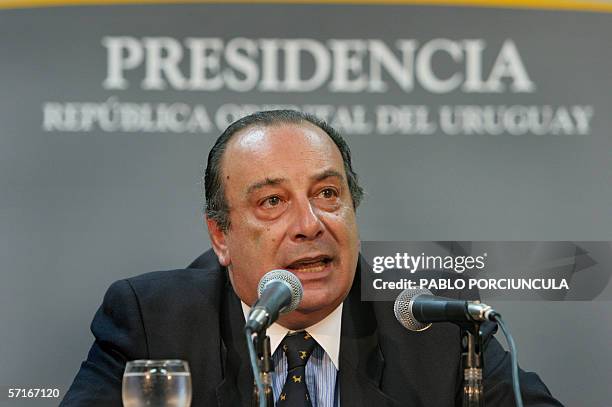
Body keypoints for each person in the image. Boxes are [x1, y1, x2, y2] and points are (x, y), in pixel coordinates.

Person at [61, 110, 562, 406]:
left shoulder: (435, 319)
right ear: (221, 236)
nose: (310, 223)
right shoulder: (152, 320)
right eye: (272, 202)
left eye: (327, 193)